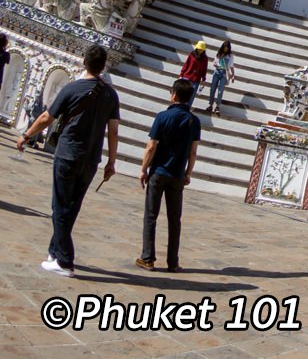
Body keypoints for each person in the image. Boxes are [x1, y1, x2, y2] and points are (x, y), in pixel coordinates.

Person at [13, 45, 120, 278]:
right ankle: (55, 250)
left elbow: (45, 117)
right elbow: (113, 131)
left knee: (60, 206)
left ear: (84, 62)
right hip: (91, 158)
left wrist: (26, 135)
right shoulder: (111, 94)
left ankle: (65, 260)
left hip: (69, 153)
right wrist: (111, 161)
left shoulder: (73, 88)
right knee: (71, 206)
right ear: (103, 66)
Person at [136, 78, 201, 272]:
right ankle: (173, 261)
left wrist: (143, 169)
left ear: (173, 95)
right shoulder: (194, 121)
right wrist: (188, 173)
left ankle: (148, 257)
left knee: (151, 215)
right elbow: (193, 151)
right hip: (177, 174)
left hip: (159, 172)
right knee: (175, 219)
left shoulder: (163, 117)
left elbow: (151, 146)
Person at [206, 41, 235, 115]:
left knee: (220, 90)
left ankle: (217, 106)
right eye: (224, 48)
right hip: (217, 72)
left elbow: (231, 66)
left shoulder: (230, 56)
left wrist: (233, 75)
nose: (225, 50)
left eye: (227, 48)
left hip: (224, 74)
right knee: (212, 88)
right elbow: (214, 63)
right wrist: (217, 65)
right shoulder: (219, 53)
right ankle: (210, 105)